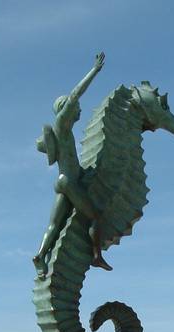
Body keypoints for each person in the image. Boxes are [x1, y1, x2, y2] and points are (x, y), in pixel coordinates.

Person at [33, 52, 112, 279]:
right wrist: (94, 71)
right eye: (73, 108)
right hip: (68, 182)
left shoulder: (61, 134)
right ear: (64, 110)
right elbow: (76, 94)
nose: (78, 109)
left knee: (54, 225)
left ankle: (40, 257)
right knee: (95, 217)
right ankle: (96, 256)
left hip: (63, 182)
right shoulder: (63, 126)